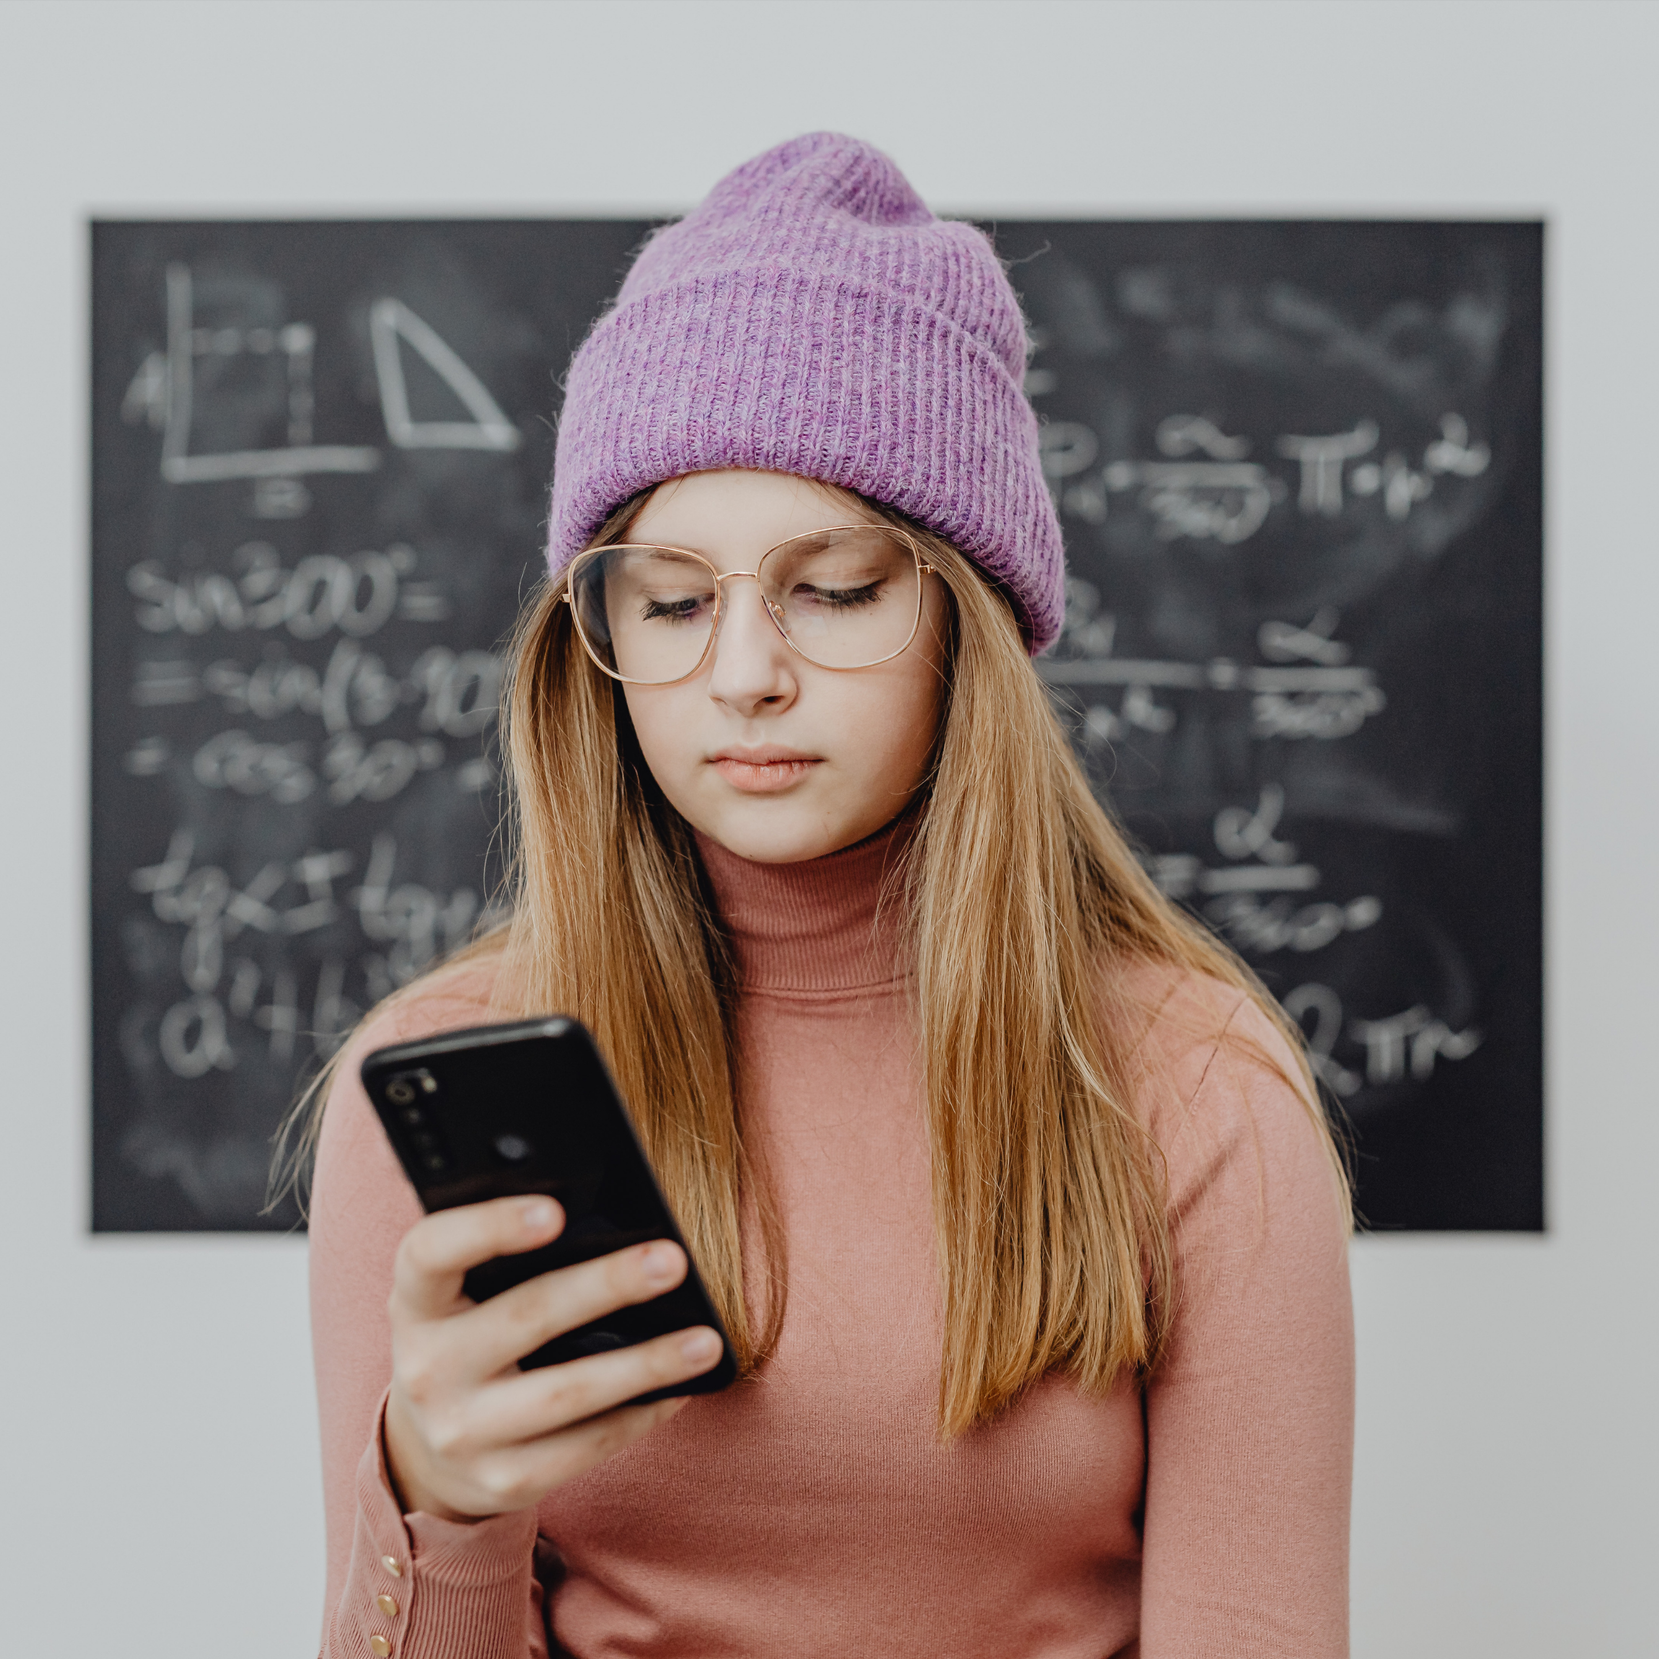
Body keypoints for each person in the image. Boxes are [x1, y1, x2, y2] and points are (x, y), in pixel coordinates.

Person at [298, 133, 1354, 1659]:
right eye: (668, 600)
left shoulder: (1196, 1090)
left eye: (831, 586)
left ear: (961, 617)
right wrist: (441, 1505)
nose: (740, 672)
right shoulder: (439, 1090)